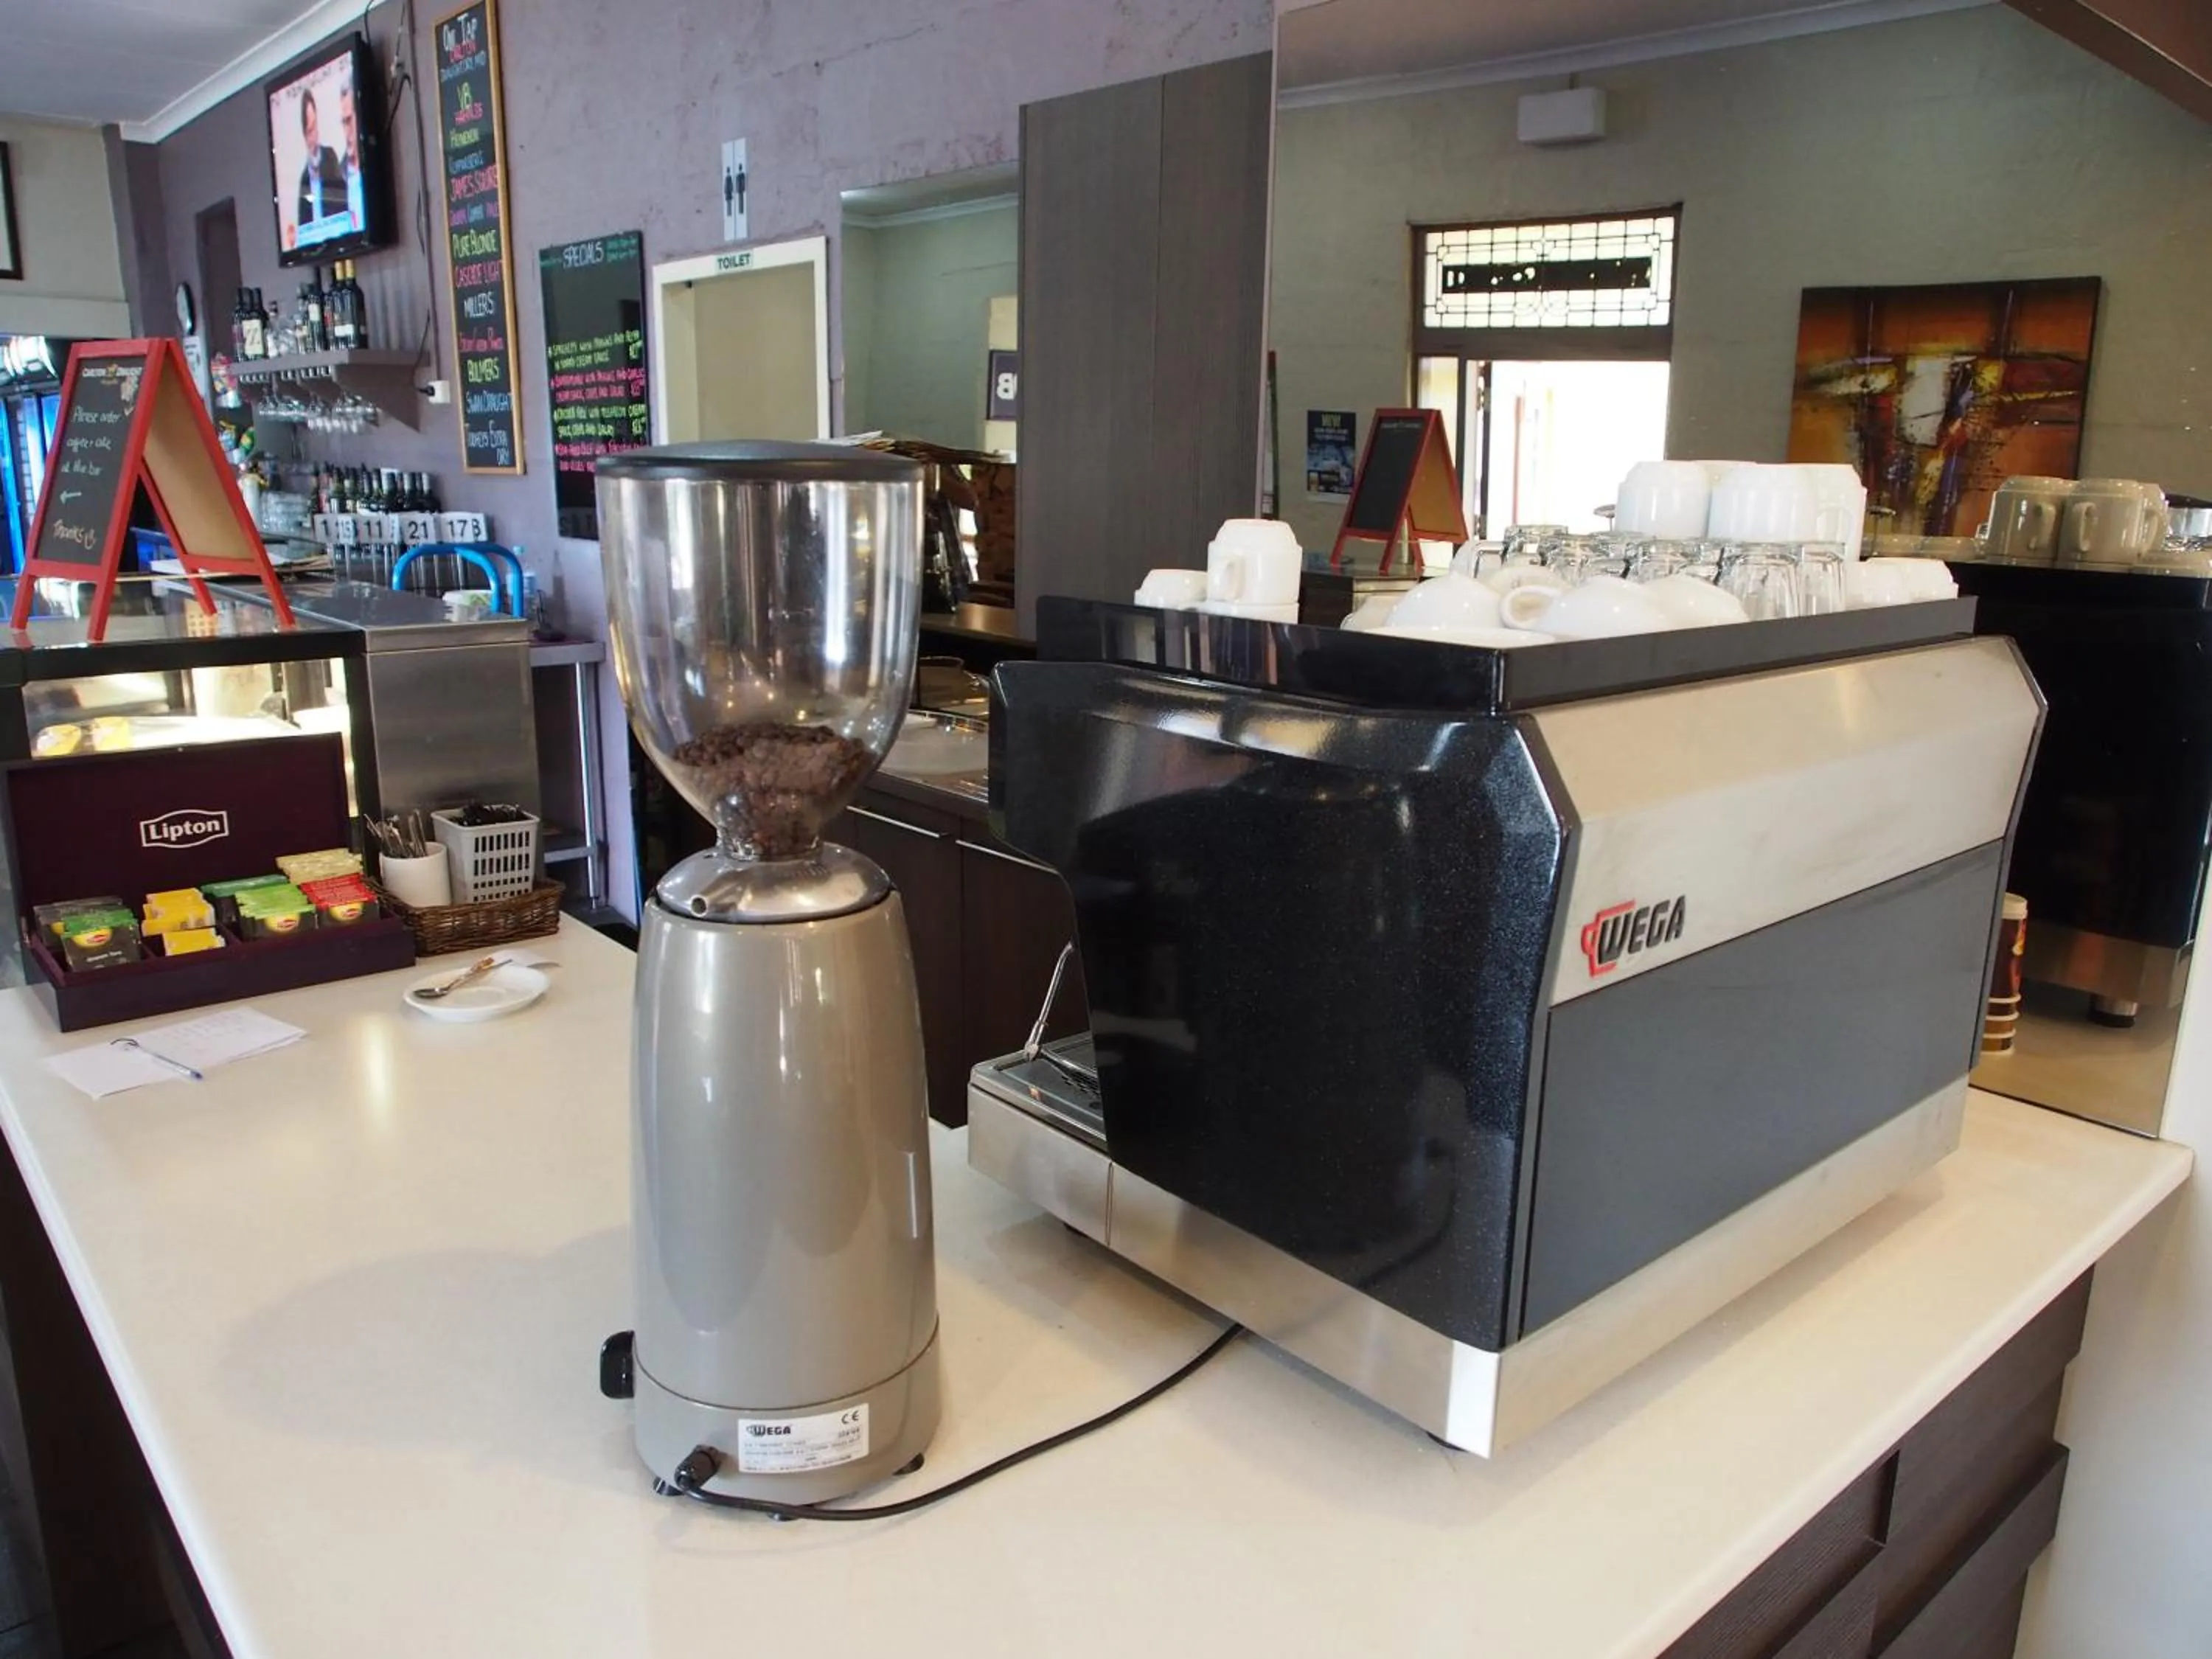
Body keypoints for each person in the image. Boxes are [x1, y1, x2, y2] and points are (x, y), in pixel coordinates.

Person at [294, 88, 347, 238]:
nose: (315, 135)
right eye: (310, 131)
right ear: (304, 135)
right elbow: (303, 229)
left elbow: (343, 204)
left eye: (315, 125)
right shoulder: (304, 179)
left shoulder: (330, 157)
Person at [339, 82, 365, 232]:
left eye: (349, 120)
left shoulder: (375, 172)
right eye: (343, 122)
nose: (346, 130)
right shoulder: (338, 174)